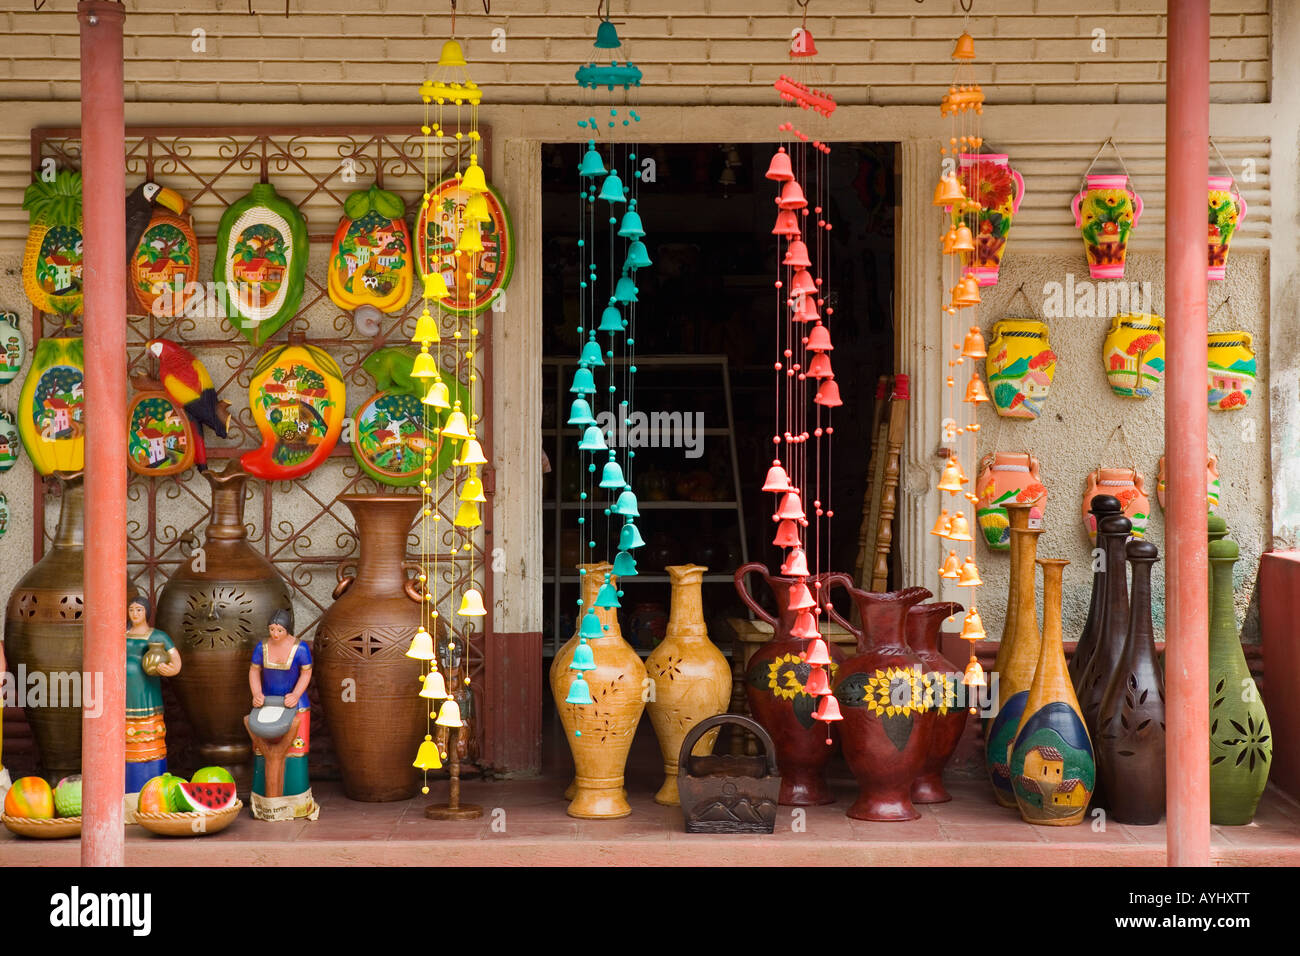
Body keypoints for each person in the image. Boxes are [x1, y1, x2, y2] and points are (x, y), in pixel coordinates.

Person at [247, 608, 317, 820]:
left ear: (288, 630)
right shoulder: (262, 647)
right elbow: (254, 671)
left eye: (279, 630)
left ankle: (295, 801)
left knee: (296, 753)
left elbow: (306, 672)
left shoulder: (300, 649)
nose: (275, 634)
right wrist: (257, 693)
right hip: (266, 704)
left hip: (295, 706)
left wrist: (296, 694)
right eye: (272, 629)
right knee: (261, 752)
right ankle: (264, 802)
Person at [126, 593, 181, 794]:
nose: (135, 614)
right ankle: (127, 792)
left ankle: (152, 791)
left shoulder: (157, 636)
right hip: (123, 698)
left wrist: (170, 669)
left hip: (146, 695)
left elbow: (176, 661)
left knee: (148, 739)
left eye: (139, 610)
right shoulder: (122, 633)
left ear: (147, 613)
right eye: (131, 610)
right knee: (125, 742)